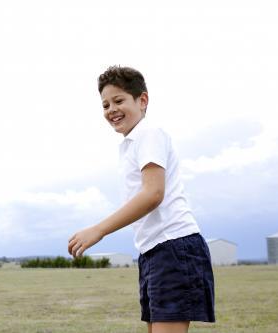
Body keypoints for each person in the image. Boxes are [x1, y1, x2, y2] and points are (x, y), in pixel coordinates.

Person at [68, 66, 215, 333]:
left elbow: (152, 194)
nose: (111, 109)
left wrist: (98, 230)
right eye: (105, 104)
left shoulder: (149, 133)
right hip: (154, 252)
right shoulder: (130, 144)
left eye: (119, 100)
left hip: (174, 247)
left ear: (142, 100)